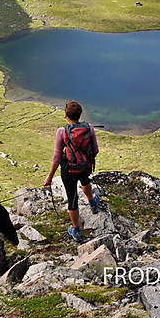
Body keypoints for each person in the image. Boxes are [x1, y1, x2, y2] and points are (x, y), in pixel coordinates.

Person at [43, 100, 100, 242]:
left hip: (68, 169)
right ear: (80, 114)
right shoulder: (90, 128)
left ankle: (76, 230)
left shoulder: (62, 131)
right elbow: (96, 150)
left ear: (66, 115)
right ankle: (92, 203)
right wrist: (85, 160)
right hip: (85, 166)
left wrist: (50, 177)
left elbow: (57, 156)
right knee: (85, 181)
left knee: (72, 197)